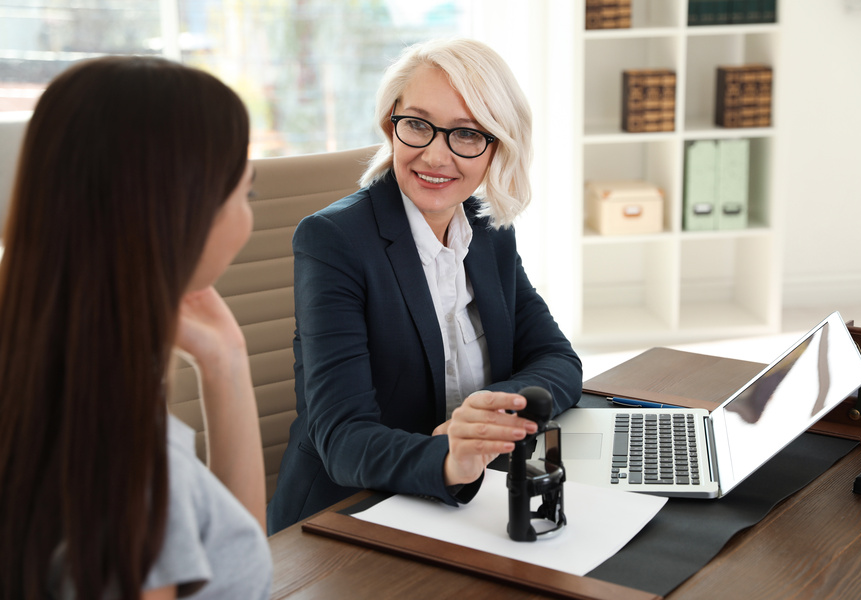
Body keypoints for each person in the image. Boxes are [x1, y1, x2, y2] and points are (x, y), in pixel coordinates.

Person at [267, 38, 583, 533]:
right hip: (349, 513)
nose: (435, 156)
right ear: (389, 125)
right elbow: (342, 437)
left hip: (474, 497)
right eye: (417, 125)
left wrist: (484, 417)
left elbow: (558, 360)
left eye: (467, 134)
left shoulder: (486, 228)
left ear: (497, 146)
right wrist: (448, 456)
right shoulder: (333, 241)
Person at [0, 56, 272, 599]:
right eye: (247, 193)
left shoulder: (45, 391)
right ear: (184, 216)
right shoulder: (129, 464)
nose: (249, 216)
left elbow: (234, 556)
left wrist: (225, 362)